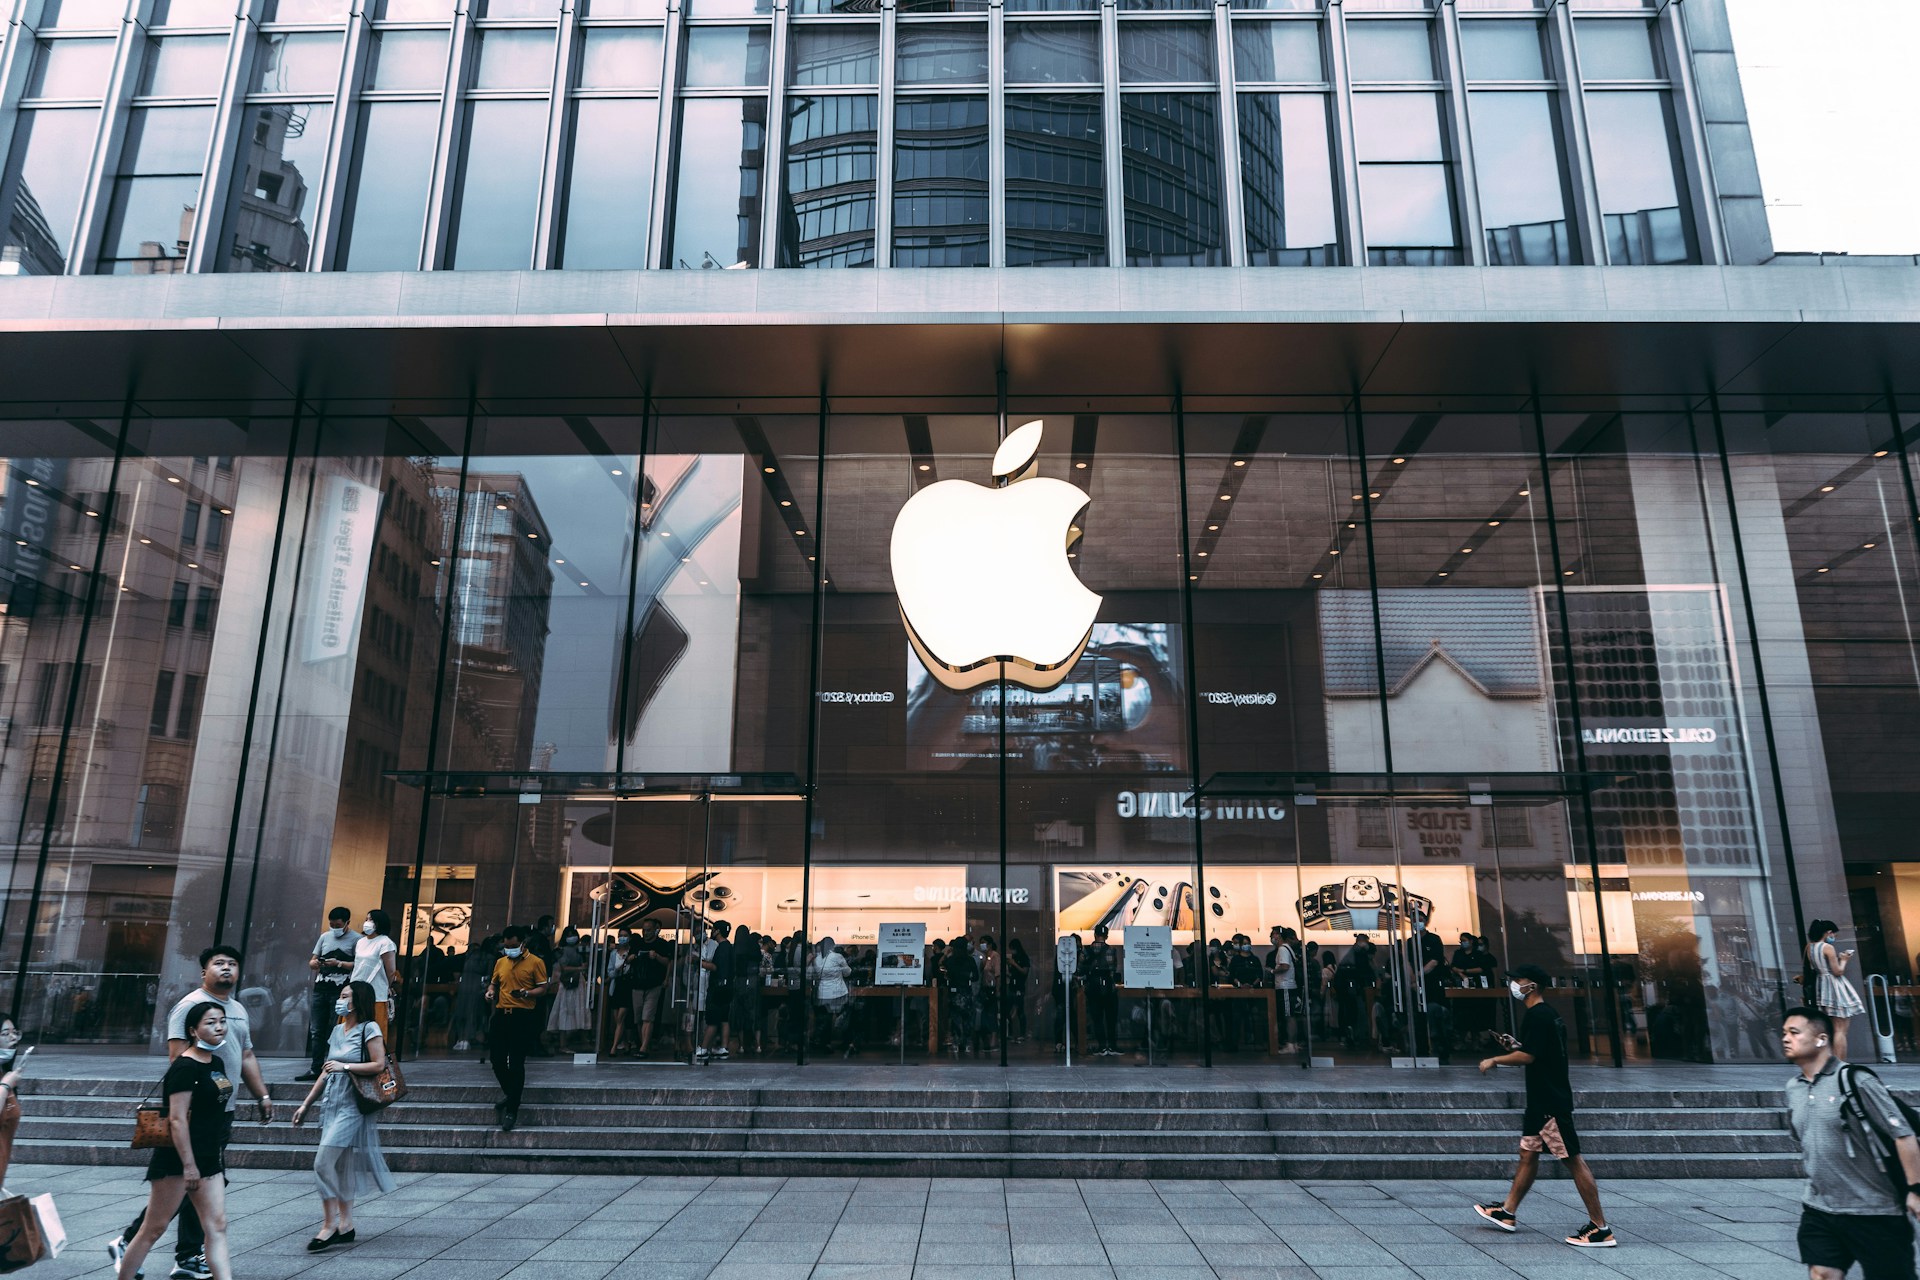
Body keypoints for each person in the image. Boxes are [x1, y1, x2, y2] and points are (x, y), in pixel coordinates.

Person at [110, 945, 270, 1280]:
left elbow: (246, 1056)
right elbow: (178, 1086)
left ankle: (185, 1256)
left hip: (216, 1124)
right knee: (158, 1222)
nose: (226, 968)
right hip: (190, 1131)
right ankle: (135, 1245)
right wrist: (189, 1162)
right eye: (219, 963)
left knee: (216, 1223)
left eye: (232, 964)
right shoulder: (189, 1010)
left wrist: (261, 1095)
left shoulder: (237, 1011)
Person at [1472, 964, 1614, 1249]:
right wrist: (1517, 1045)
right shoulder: (1547, 1015)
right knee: (1528, 1153)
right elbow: (1537, 1050)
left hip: (1550, 1103)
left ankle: (1600, 1228)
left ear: (1532, 985)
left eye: (1518, 980)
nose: (1514, 985)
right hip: (1541, 1101)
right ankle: (1507, 1212)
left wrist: (1496, 1059)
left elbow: (1529, 1057)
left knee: (1572, 1159)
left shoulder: (1538, 1015)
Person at [1783, 1006, 1920, 1280]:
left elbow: (1903, 1135)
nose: (1785, 1038)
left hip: (1873, 1210)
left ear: (1821, 1039)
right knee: (1822, 1273)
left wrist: (1915, 1190)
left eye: (1794, 1032)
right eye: (1784, 1033)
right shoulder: (1794, 1088)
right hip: (1820, 1207)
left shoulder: (1857, 1080)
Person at [114, 1002, 236, 1280]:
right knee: (153, 1228)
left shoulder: (216, 1062)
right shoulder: (184, 1067)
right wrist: (189, 1165)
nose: (218, 1027)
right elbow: (177, 1119)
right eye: (210, 1023)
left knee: (216, 1226)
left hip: (208, 1156)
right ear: (193, 1031)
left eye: (222, 1021)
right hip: (178, 1159)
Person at [289, 980, 396, 1251]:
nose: (341, 999)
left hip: (352, 1105)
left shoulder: (369, 1028)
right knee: (340, 1165)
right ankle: (346, 1224)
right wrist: (306, 1104)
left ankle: (328, 1226)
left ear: (358, 1000)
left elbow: (379, 1063)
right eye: (340, 995)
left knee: (322, 1163)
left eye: (346, 995)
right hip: (331, 1103)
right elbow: (326, 1071)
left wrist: (345, 1065)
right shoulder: (337, 1030)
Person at [485, 924, 549, 1132]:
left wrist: (527, 993)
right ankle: (512, 1094)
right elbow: (494, 983)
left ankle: (512, 1108)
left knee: (516, 1062)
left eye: (513, 945)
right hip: (502, 1014)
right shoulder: (500, 962)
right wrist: (490, 991)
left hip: (523, 1016)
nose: (509, 949)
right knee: (496, 1060)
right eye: (506, 945)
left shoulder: (536, 962)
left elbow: (543, 988)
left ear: (522, 943)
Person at [299, 908, 356, 1082]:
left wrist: (339, 964)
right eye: (331, 925)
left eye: (337, 925)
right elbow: (311, 960)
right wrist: (315, 963)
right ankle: (315, 1068)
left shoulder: (357, 939)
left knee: (336, 1028)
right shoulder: (324, 937)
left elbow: (358, 964)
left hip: (342, 991)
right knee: (316, 1030)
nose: (334, 928)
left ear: (347, 923)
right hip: (321, 988)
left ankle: (332, 1066)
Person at [1808, 920, 1867, 1062]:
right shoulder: (1827, 947)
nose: (1834, 936)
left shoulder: (1810, 948)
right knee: (1840, 1030)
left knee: (1829, 1029)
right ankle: (1839, 1064)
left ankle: (1827, 1062)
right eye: (1833, 933)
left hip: (1821, 987)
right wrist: (1844, 959)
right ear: (1828, 932)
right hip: (1834, 987)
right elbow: (1837, 971)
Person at [352, 910, 400, 1041]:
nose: (367, 923)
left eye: (371, 920)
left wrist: (387, 985)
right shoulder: (361, 942)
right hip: (356, 988)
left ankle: (374, 1057)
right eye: (366, 919)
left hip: (376, 992)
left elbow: (391, 971)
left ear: (379, 923)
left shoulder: (385, 942)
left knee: (374, 1030)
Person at [629, 918, 672, 1056]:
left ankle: (643, 1048)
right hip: (637, 984)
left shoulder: (662, 944)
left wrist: (656, 956)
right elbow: (629, 958)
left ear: (655, 930)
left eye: (648, 930)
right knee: (639, 1018)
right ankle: (643, 1044)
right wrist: (633, 957)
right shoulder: (637, 943)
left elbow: (668, 962)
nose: (645, 933)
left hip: (654, 985)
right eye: (644, 930)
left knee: (648, 1017)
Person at [696, 920, 735, 1062]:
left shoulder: (722, 948)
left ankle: (704, 1048)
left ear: (717, 931)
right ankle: (723, 1048)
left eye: (713, 929)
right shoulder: (729, 947)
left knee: (712, 1019)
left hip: (718, 988)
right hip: (727, 988)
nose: (711, 932)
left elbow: (716, 967)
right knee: (724, 1019)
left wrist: (699, 962)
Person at [547, 927, 590, 1051]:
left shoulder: (580, 950)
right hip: (567, 983)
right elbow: (564, 967)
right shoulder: (560, 951)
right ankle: (563, 1043)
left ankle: (579, 1040)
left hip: (578, 981)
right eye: (569, 935)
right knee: (565, 1011)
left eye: (574, 935)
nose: (572, 937)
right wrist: (580, 969)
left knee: (578, 1009)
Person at [811, 936, 853, 1053]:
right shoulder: (837, 957)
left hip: (823, 993)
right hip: (838, 992)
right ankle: (847, 1043)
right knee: (843, 1018)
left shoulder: (816, 959)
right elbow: (848, 972)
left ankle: (825, 1044)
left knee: (825, 1020)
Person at [1083, 925, 1119, 1057]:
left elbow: (1082, 968)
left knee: (1097, 1018)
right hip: (1109, 988)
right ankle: (1112, 1046)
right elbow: (1113, 970)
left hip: (1093, 988)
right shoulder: (1112, 950)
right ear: (1107, 936)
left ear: (1095, 935)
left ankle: (1102, 1046)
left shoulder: (1086, 950)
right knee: (1111, 1018)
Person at [1006, 939, 1032, 1044]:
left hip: (1019, 987)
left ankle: (1022, 1033)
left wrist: (1014, 964)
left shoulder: (1024, 957)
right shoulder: (1013, 957)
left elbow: (1024, 971)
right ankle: (1010, 1033)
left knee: (1020, 1010)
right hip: (1012, 986)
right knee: (1008, 1010)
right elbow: (1012, 973)